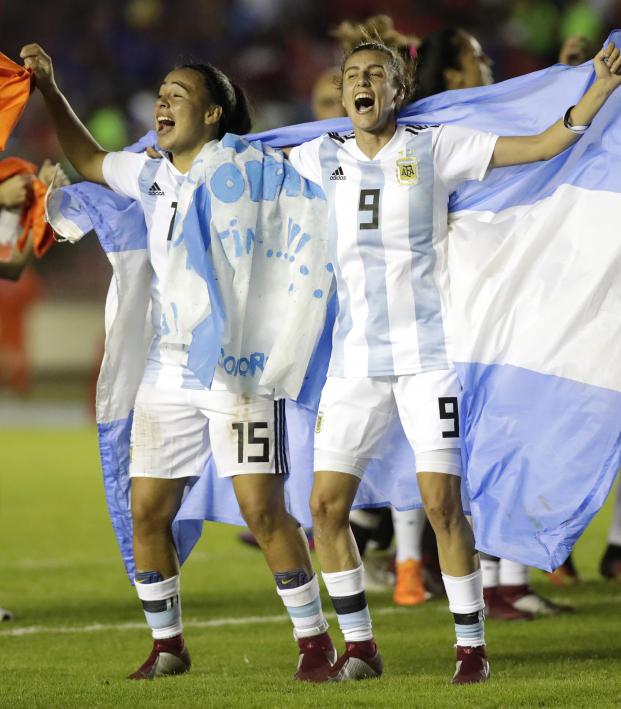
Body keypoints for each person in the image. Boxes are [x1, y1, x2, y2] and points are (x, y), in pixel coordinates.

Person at [287, 37, 621, 683]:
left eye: (374, 74)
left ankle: (471, 647)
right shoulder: (317, 155)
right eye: (351, 74)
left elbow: (541, 146)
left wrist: (599, 91)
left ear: (397, 90)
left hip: (425, 361)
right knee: (325, 507)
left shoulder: (435, 148)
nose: (361, 84)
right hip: (354, 367)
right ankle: (358, 645)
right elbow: (243, 158)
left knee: (442, 504)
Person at [22, 43, 336, 682]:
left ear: (215, 113)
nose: (162, 102)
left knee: (263, 510)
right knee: (147, 511)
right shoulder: (152, 175)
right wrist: (50, 89)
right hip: (168, 371)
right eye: (161, 91)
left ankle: (315, 643)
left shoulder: (252, 169)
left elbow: (325, 178)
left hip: (238, 371)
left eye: (178, 94)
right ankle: (168, 645)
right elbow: (85, 160)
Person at [414, 26, 575, 619]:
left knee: (505, 431)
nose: (486, 66)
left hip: (502, 300)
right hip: (458, 310)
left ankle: (506, 579)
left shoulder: (468, 128)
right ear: (453, 76)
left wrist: (573, 81)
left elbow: (539, 144)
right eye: (476, 58)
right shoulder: (435, 134)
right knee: (474, 441)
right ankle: (463, 575)